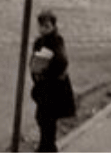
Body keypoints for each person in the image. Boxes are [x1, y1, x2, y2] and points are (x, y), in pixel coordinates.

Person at [29, 9, 76, 152]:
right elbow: (33, 61)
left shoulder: (57, 41)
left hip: (54, 90)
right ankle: (45, 147)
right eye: (41, 26)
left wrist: (45, 69)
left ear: (53, 26)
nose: (43, 29)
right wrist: (35, 69)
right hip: (44, 87)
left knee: (48, 121)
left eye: (47, 26)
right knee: (42, 119)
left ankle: (47, 148)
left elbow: (62, 62)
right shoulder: (38, 42)